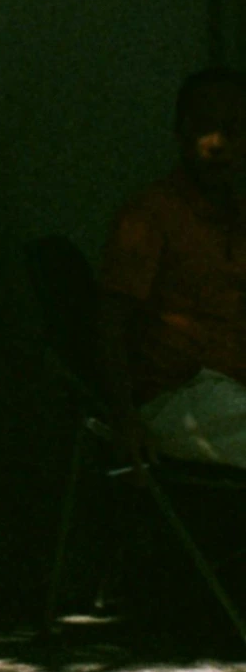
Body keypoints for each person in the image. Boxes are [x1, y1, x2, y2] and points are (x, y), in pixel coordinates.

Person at [99, 66, 246, 470]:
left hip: (232, 393)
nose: (217, 143)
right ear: (181, 131)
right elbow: (110, 324)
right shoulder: (151, 216)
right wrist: (125, 420)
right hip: (177, 395)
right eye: (204, 128)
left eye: (232, 130)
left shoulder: (238, 216)